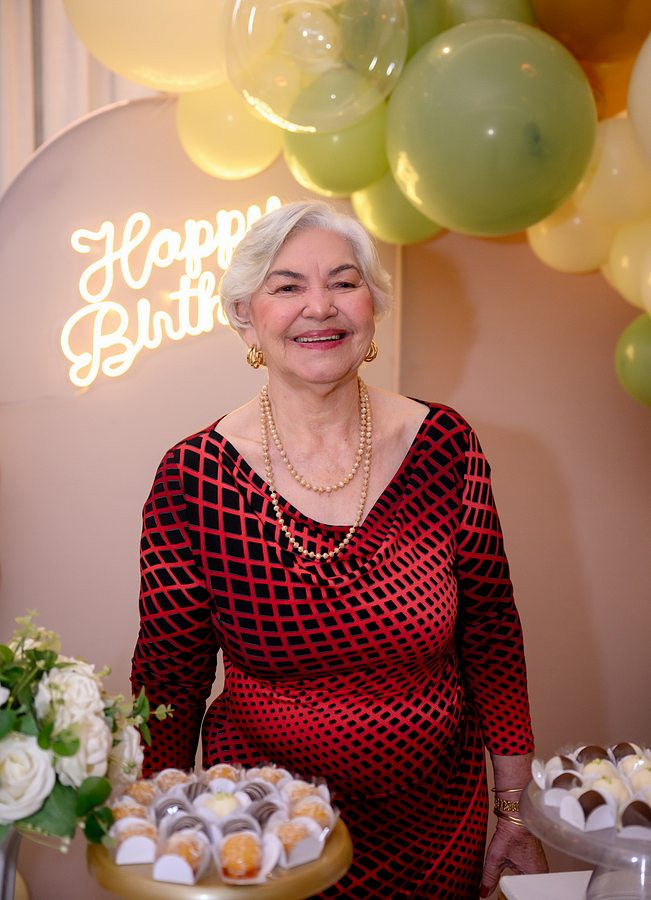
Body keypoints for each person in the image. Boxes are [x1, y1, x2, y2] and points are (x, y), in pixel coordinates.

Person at [130, 200, 547, 898]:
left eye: (344, 282)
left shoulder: (445, 445)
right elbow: (169, 680)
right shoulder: (194, 477)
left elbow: (493, 636)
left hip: (435, 829)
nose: (319, 307)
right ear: (246, 316)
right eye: (287, 285)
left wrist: (513, 810)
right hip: (267, 834)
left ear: (372, 306)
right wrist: (161, 829)